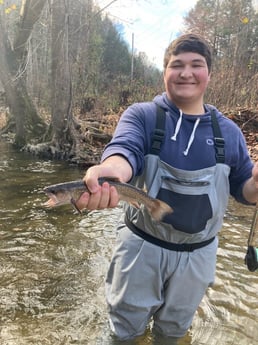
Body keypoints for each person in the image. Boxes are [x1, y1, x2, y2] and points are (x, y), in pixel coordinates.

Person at [77, 33, 258, 341]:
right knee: (122, 333)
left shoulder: (229, 132)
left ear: (209, 74)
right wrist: (111, 172)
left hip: (199, 255)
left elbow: (245, 192)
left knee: (173, 334)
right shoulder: (143, 115)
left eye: (196, 65)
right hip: (141, 247)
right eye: (177, 65)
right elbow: (124, 151)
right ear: (165, 72)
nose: (186, 72)